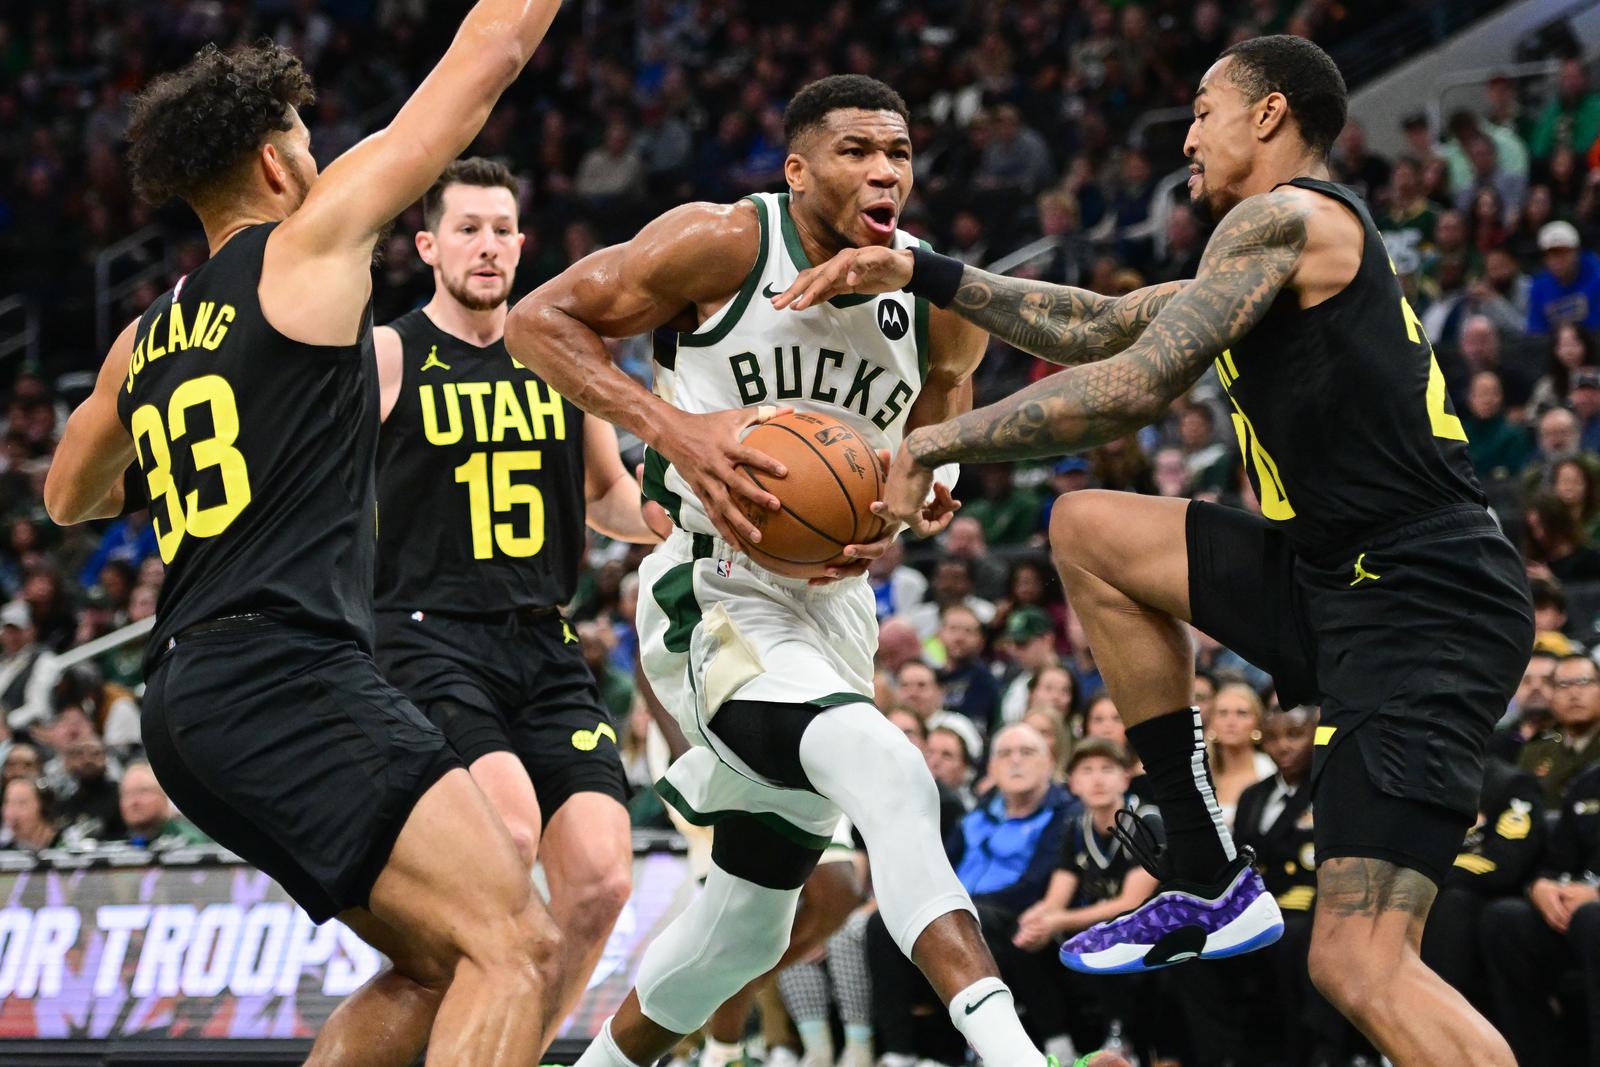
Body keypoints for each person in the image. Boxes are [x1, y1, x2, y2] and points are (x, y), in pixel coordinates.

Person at [780, 35, 1534, 1066]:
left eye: (1202, 110)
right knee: (1086, 529)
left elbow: (1136, 385)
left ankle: (1207, 870)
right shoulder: (1256, 252)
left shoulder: (1288, 217)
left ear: (1267, 115)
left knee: (1361, 960)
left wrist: (934, 438)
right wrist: (923, 269)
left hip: (1422, 595)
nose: (1185, 136)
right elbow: (1098, 323)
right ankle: (1201, 860)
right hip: (1335, 573)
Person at [41, 5, 571, 1061]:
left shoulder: (142, 340)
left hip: (185, 697)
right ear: (277, 167)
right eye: (310, 141)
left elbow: (70, 497)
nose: (324, 159)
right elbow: (489, 56)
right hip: (287, 668)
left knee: (433, 962)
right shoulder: (309, 246)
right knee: (517, 942)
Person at [505, 75, 1055, 1067]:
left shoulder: (933, 290)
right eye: (856, 150)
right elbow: (537, 323)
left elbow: (940, 414)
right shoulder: (723, 242)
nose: (885, 169)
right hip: (709, 590)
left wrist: (923, 484)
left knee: (746, 928)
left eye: (898, 151)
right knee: (891, 768)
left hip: (836, 608)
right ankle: (1009, 1048)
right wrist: (675, 427)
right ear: (798, 169)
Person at [371, 156, 666, 1038]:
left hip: (543, 641)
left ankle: (513, 1049)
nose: (488, 245)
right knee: (507, 830)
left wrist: (706, 513)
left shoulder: (558, 355)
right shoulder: (386, 354)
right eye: (467, 228)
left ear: (523, 243)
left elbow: (609, 497)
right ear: (427, 245)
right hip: (424, 634)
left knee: (604, 880)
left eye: (502, 229)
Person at [1011, 739, 1160, 1060]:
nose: (1098, 779)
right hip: (1100, 927)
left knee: (1107, 935)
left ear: (1125, 778)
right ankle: (1056, 1042)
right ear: (1073, 783)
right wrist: (1034, 921)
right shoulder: (1075, 827)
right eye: (1087, 770)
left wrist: (1056, 921)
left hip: (1153, 930)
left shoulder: (1148, 821)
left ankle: (1124, 1042)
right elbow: (1056, 898)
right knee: (1022, 939)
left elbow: (1129, 904)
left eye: (1107, 769)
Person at [1480, 761, 1600, 1064]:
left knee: (1592, 920)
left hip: (1591, 917)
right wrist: (1540, 887)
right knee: (1504, 920)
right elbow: (1555, 863)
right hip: (1576, 917)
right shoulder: (1590, 782)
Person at [1519, 653, 1600, 806]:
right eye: (1563, 684)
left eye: (1583, 682)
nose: (1574, 693)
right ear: (1551, 696)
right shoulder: (1534, 752)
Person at [117, 760, 210, 851]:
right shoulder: (116, 846)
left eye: (142, 791)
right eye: (127, 793)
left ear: (164, 796)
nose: (134, 802)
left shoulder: (190, 842)